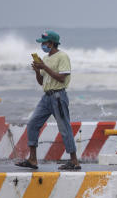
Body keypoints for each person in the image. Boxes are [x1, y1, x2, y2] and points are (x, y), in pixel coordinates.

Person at [15, 30, 81, 171]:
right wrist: (38, 71)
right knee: (33, 123)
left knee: (64, 128)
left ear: (51, 43)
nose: (42, 45)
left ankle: (74, 161)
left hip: (58, 96)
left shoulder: (62, 56)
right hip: (46, 97)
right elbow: (41, 82)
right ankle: (32, 159)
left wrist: (44, 67)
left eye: (44, 43)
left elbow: (62, 78)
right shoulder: (45, 58)